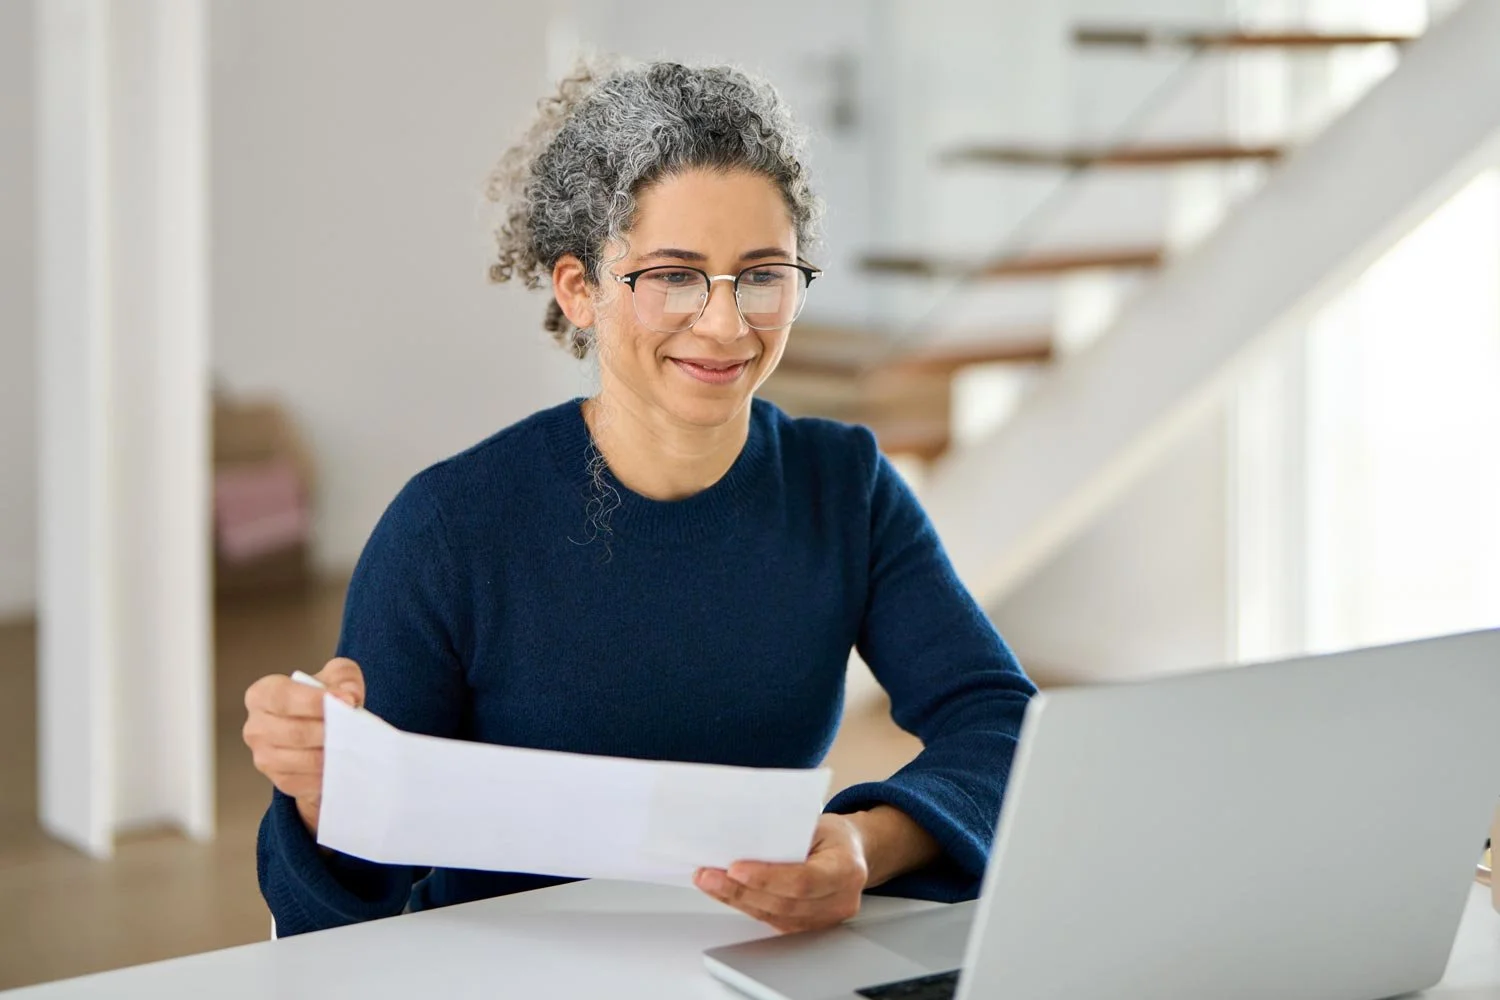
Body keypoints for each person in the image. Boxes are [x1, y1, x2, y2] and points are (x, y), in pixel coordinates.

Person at [242, 59, 1035, 939]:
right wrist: (323, 798)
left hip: (747, 961)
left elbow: (1000, 722)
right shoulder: (449, 528)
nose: (728, 324)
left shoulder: (843, 487)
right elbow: (338, 913)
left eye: (762, 274)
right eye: (674, 276)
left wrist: (865, 843)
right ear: (579, 289)